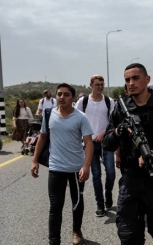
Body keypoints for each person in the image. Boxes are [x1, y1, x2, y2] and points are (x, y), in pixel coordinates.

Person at [103, 63, 153, 244]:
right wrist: (118, 131)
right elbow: (107, 143)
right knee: (129, 236)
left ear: (147, 79)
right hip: (130, 181)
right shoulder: (120, 109)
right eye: (127, 80)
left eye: (135, 78)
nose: (131, 83)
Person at [31, 83, 94, 245]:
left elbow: (88, 143)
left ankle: (76, 231)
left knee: (77, 203)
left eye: (66, 94)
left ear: (72, 97)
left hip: (76, 169)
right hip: (56, 168)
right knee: (55, 206)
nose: (62, 97)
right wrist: (34, 160)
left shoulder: (80, 117)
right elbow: (43, 137)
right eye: (59, 94)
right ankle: (54, 240)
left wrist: (86, 166)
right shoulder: (49, 114)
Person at [75, 74, 116, 217]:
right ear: (91, 85)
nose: (100, 87)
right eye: (97, 84)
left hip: (106, 142)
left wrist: (104, 133)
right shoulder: (83, 101)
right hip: (89, 143)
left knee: (111, 173)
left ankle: (108, 193)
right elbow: (76, 119)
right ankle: (100, 203)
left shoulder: (109, 101)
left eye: (102, 84)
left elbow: (114, 121)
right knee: (96, 175)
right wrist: (80, 135)